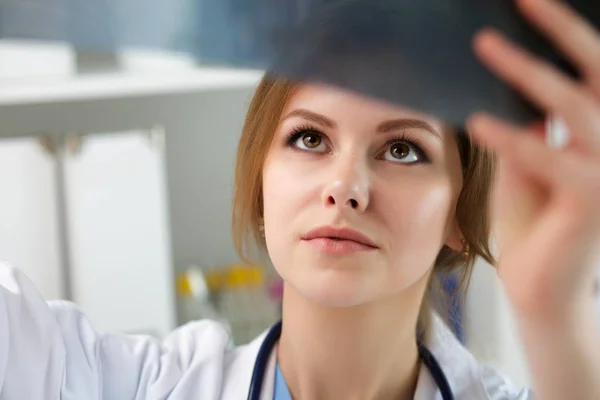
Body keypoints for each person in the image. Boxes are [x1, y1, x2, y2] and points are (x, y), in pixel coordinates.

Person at [1, 0, 599, 398]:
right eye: (309, 138)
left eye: (402, 150)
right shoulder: (123, 385)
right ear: (261, 182)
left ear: (461, 216)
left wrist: (553, 314)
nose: (345, 188)